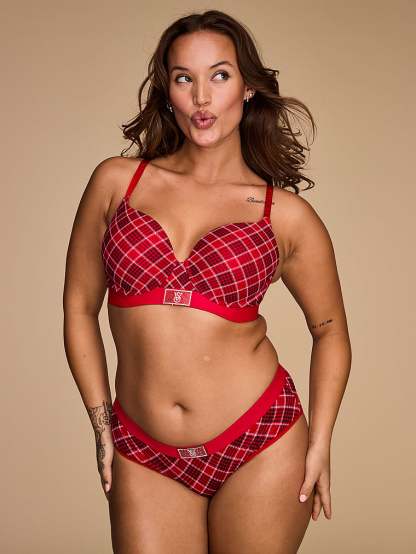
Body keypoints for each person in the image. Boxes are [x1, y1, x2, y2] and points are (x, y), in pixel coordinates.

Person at [63, 9, 351, 554]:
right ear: (167, 91)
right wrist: (102, 425)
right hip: (144, 450)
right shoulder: (118, 183)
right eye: (183, 78)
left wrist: (320, 444)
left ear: (247, 88)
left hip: (261, 443)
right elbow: (79, 307)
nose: (201, 97)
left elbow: (331, 329)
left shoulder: (285, 215)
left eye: (219, 75)